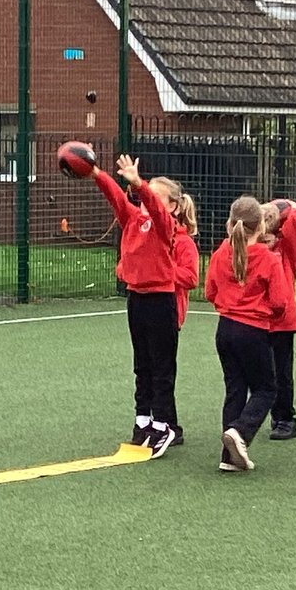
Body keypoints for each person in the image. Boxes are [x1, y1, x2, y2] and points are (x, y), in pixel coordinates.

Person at [91, 153, 180, 458]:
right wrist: (95, 172)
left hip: (160, 300)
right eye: (146, 192)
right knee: (142, 364)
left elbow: (153, 207)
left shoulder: (165, 224)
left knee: (162, 366)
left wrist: (140, 184)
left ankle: (165, 425)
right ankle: (143, 421)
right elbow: (116, 197)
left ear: (173, 205)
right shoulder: (132, 218)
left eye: (156, 195)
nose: (148, 197)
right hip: (137, 299)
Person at [206, 196, 289, 472]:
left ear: (230, 225)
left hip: (225, 329)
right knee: (266, 389)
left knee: (235, 390)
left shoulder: (220, 254)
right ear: (262, 227)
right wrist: (264, 313)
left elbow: (209, 293)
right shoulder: (268, 258)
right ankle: (240, 432)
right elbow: (279, 302)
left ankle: (228, 458)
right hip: (252, 330)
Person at [261, 198, 296, 440]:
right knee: (261, 372)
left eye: (270, 238)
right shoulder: (254, 249)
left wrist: (277, 209)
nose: (266, 243)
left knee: (282, 373)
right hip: (257, 319)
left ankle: (286, 418)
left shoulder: (287, 249)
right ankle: (264, 415)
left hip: (283, 321)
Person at [168, 178, 200, 445]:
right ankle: (152, 421)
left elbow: (190, 278)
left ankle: (170, 425)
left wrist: (161, 269)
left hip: (170, 311)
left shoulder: (184, 243)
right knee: (147, 369)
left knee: (164, 370)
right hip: (148, 306)